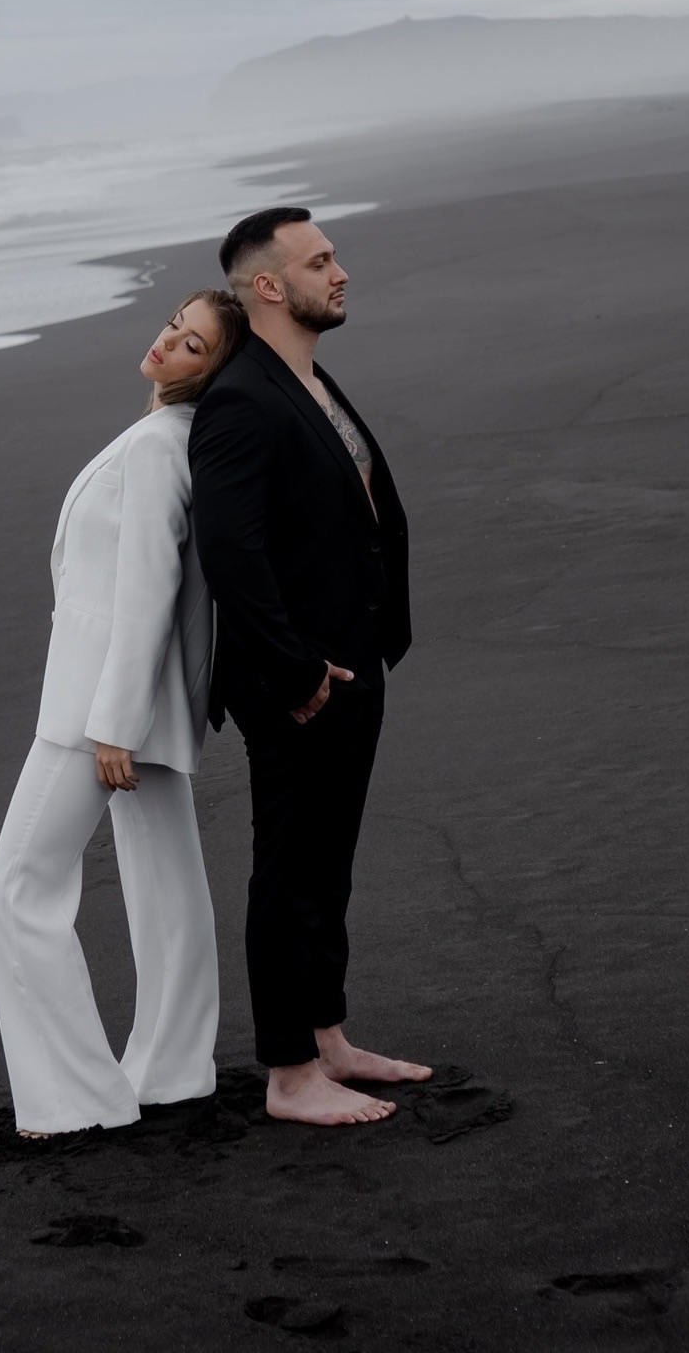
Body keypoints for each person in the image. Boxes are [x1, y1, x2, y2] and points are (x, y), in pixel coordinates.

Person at [0, 289, 246, 1139]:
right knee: (165, 882)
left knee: (16, 889)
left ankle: (75, 1098)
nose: (168, 342)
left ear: (216, 371)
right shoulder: (173, 439)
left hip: (100, 706)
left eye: (194, 345)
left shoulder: (161, 448)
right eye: (175, 325)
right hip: (137, 701)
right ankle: (172, 1070)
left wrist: (114, 725)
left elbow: (148, 594)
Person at [189, 208, 432, 1127]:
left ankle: (327, 1037)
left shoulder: (307, 378)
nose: (340, 272)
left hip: (351, 663)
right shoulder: (242, 400)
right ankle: (288, 1073)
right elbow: (231, 552)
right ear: (266, 285)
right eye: (319, 260)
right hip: (298, 686)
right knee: (287, 872)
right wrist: (297, 672)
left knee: (328, 868)